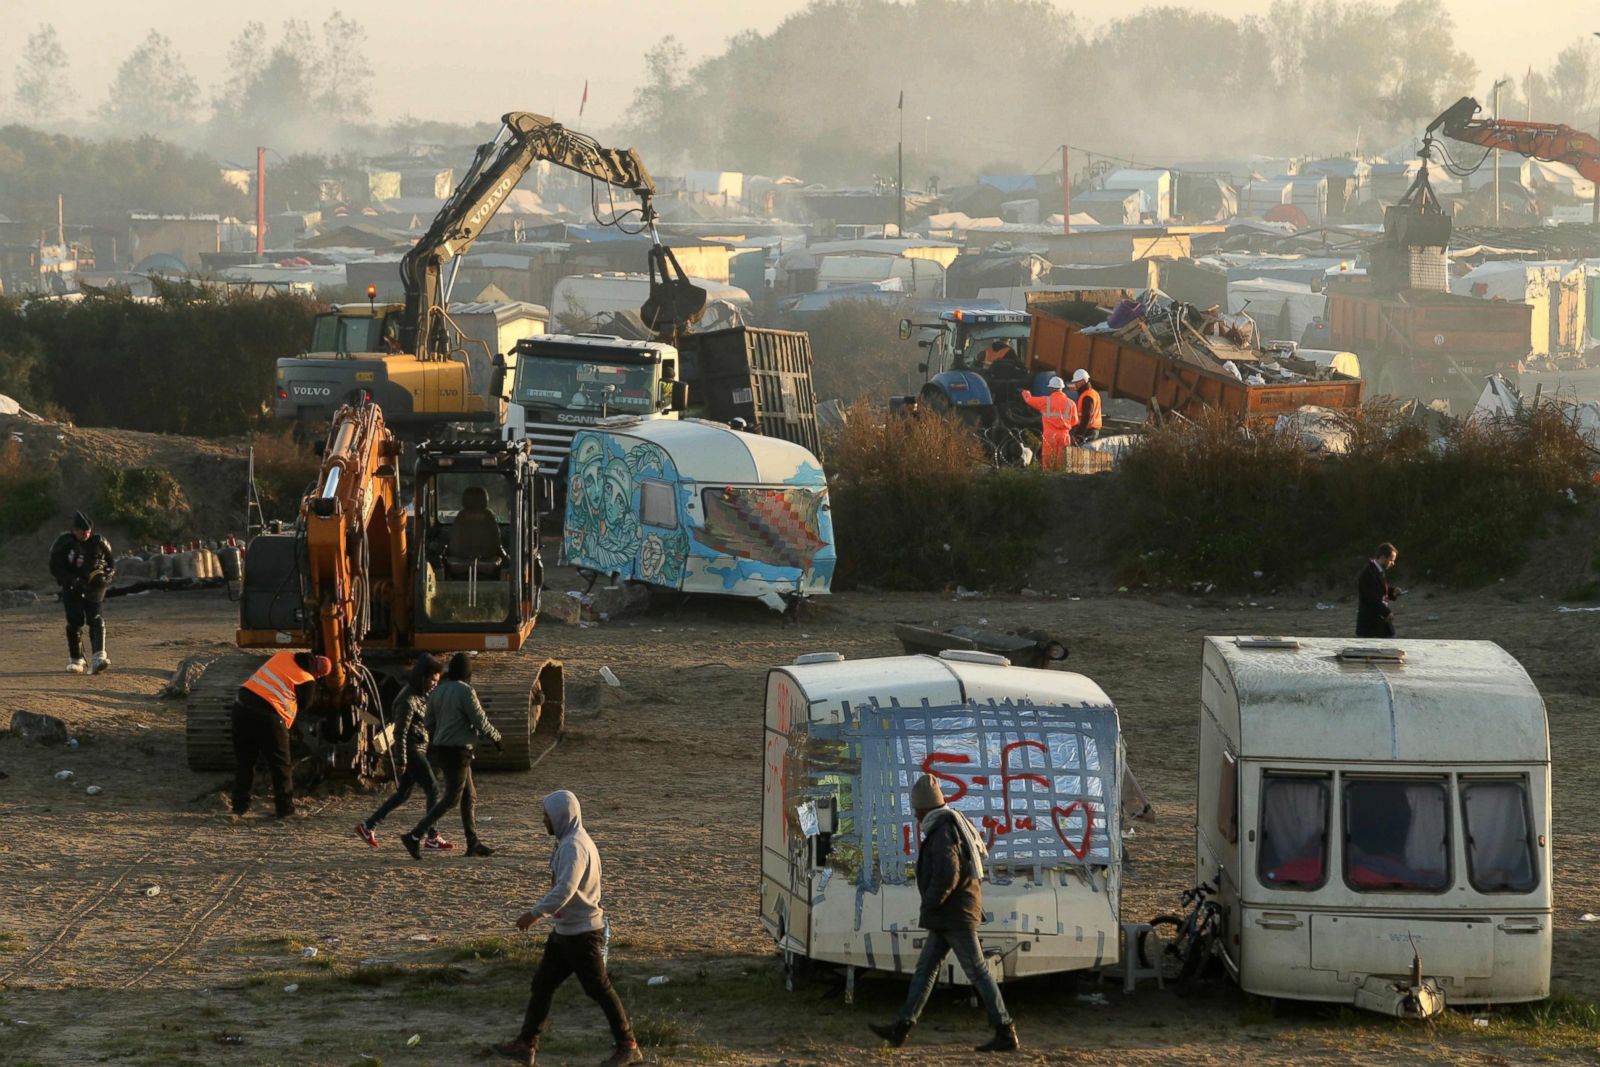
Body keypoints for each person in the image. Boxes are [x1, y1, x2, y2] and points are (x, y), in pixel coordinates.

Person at [870, 774, 1019, 1053]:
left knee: (976, 971)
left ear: (925, 808)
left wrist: (930, 902)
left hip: (954, 915)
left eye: (916, 809)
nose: (915, 814)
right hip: (951, 913)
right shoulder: (947, 826)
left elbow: (948, 874)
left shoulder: (942, 833)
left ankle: (1005, 1030)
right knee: (927, 970)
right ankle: (901, 1028)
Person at [495, 791, 643, 1067]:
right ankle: (526, 1045)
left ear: (560, 816)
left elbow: (566, 888)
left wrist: (535, 913)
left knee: (599, 988)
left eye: (546, 816)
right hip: (566, 931)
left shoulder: (574, 846)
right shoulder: (569, 842)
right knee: (543, 984)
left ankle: (628, 1045)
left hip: (582, 933)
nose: (543, 821)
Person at [401, 652, 501, 859]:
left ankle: (473, 843)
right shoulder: (466, 692)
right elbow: (480, 720)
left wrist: (442, 733)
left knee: (468, 796)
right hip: (459, 751)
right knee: (451, 799)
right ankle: (415, 835)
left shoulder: (438, 691)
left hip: (442, 750)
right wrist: (496, 737)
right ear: (467, 673)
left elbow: (428, 722)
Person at [355, 654, 453, 851]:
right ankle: (432, 835)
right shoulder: (407, 700)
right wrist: (401, 761)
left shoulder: (420, 695)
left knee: (403, 794)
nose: (435, 684)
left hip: (417, 748)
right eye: (432, 680)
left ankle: (368, 826)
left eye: (437, 680)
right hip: (412, 750)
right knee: (433, 790)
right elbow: (400, 732)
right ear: (422, 677)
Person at [231, 651, 332, 817]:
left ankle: (239, 806)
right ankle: (285, 809)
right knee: (281, 765)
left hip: (240, 707)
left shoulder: (284, 655)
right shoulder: (307, 680)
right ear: (318, 674)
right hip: (269, 717)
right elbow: (306, 705)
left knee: (245, 762)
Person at [49, 511, 115, 674]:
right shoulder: (64, 543)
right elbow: (55, 566)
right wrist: (71, 580)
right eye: (82, 531)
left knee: (96, 618)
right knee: (74, 621)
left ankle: (99, 656)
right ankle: (76, 658)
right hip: (72, 588)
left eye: (88, 531)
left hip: (94, 587)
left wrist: (105, 577)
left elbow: (111, 563)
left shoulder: (99, 542)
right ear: (75, 531)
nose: (86, 534)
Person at [1019, 376, 1078, 471]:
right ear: (1062, 388)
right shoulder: (1071, 404)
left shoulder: (1046, 401)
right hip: (1064, 435)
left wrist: (1025, 392)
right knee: (1062, 462)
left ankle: (1047, 479)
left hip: (1050, 435)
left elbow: (1029, 400)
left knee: (1048, 462)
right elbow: (1075, 421)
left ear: (1051, 388)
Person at [1356, 542, 1401, 639]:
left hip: (1378, 622)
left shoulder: (1377, 571)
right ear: (1383, 557)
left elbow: (1378, 590)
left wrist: (1392, 592)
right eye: (1391, 560)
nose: (1393, 563)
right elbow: (1371, 598)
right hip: (1370, 624)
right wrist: (1387, 613)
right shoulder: (1368, 573)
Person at [1070, 368, 1102, 444]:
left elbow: (1086, 416)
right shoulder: (1093, 393)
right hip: (1091, 431)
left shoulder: (1087, 396)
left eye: (1077, 382)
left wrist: (1079, 434)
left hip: (1087, 432)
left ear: (1084, 381)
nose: (1075, 384)